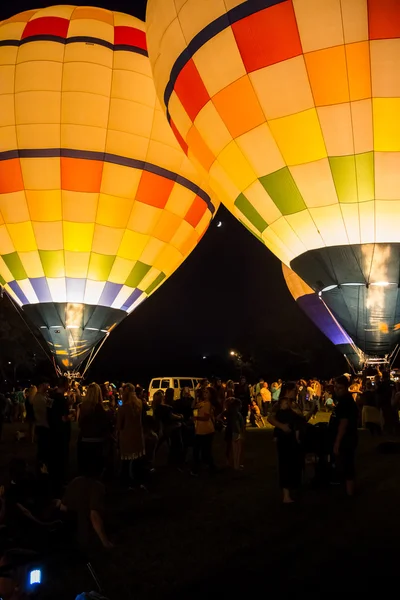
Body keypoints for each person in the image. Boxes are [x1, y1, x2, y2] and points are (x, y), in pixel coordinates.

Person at [61, 456, 112, 550]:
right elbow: (94, 515)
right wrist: (105, 543)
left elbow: (63, 507)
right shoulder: (97, 487)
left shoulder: (75, 481)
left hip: (68, 536)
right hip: (85, 538)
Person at [268, 382, 304, 503]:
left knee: (295, 464)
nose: (296, 392)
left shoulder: (295, 404)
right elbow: (270, 418)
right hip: (284, 438)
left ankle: (294, 488)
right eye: (294, 390)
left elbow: (301, 419)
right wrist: (281, 426)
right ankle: (286, 494)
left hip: (295, 437)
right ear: (288, 390)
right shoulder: (280, 404)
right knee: (285, 465)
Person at [330, 376, 359, 496]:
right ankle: (346, 489)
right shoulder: (342, 400)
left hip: (346, 438)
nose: (337, 390)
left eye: (340, 388)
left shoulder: (346, 401)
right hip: (345, 437)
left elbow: (344, 423)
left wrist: (337, 442)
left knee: (347, 464)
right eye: (335, 387)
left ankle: (349, 491)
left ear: (346, 387)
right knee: (344, 463)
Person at [117, 383, 145, 489]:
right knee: (137, 462)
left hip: (126, 438)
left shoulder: (123, 408)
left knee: (125, 463)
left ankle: (126, 483)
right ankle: (138, 481)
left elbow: (120, 425)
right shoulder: (139, 404)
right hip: (137, 436)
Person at [77, 383, 111, 475]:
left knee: (86, 471)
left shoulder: (83, 407)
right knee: (96, 470)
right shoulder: (99, 408)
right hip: (97, 441)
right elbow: (105, 424)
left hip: (85, 440)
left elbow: (79, 423)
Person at [48, 377, 71, 490]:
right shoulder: (62, 400)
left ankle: (53, 478)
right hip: (61, 432)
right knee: (62, 457)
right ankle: (61, 481)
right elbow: (63, 418)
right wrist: (70, 417)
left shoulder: (51, 398)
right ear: (65, 384)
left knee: (54, 456)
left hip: (52, 431)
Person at [192, 387, 215, 475]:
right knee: (203, 450)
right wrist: (195, 396)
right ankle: (209, 467)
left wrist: (196, 418)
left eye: (207, 392)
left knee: (203, 450)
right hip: (200, 430)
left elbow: (206, 418)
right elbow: (193, 406)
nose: (205, 393)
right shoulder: (202, 403)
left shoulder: (207, 404)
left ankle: (204, 468)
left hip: (206, 430)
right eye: (204, 392)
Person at [32, 380, 51, 468]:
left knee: (42, 448)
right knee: (43, 448)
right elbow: (47, 411)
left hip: (41, 425)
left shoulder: (40, 397)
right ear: (42, 385)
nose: (48, 386)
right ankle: (42, 467)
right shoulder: (40, 398)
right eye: (47, 384)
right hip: (43, 425)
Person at [224, 397, 244, 470]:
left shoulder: (229, 412)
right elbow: (237, 423)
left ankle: (234, 464)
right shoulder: (237, 414)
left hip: (230, 431)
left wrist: (224, 422)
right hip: (235, 432)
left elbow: (219, 417)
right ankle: (236, 465)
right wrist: (239, 432)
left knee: (232, 449)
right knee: (237, 450)